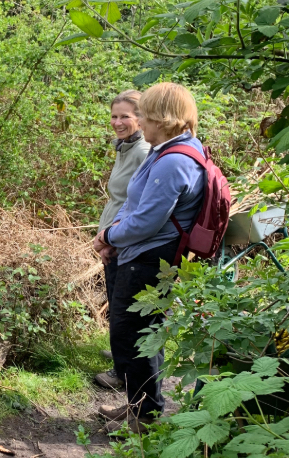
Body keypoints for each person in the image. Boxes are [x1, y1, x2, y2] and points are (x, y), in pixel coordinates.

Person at [92, 82, 205, 433]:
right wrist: (116, 238)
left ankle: (145, 418)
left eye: (144, 114)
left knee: (134, 336)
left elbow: (147, 219)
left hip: (151, 261)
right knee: (136, 335)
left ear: (162, 118)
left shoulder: (174, 160)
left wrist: (109, 235)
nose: (139, 120)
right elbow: (135, 204)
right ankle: (139, 408)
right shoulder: (168, 150)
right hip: (141, 253)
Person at [94, 90, 151, 391]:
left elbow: (139, 205)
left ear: (141, 119)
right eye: (114, 116)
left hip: (124, 241)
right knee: (117, 302)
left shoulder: (142, 152)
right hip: (113, 238)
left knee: (123, 310)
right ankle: (122, 357)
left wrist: (113, 239)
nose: (117, 122)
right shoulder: (125, 148)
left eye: (125, 116)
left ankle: (123, 372)